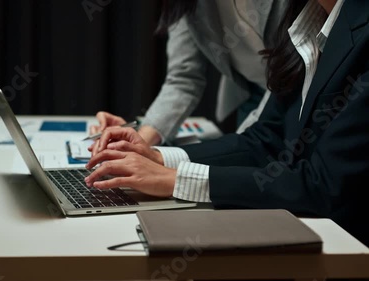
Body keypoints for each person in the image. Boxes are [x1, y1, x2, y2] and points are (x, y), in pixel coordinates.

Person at [85, 0, 369, 245]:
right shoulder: (307, 20)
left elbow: (324, 185)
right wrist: (158, 158)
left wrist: (176, 179)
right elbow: (265, 140)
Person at [91, 0, 288, 145]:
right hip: (253, 94)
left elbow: (291, 68)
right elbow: (183, 79)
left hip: (295, 88)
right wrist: (141, 141)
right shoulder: (185, 4)